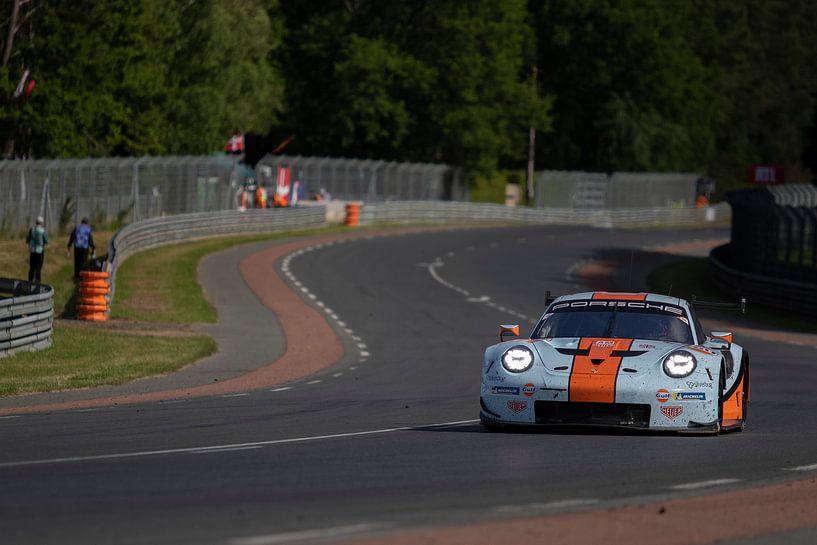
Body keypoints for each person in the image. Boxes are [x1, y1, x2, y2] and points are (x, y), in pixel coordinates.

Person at [26, 216, 48, 283]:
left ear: (36, 222)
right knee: (38, 267)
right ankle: (37, 281)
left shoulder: (32, 230)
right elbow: (46, 241)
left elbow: (27, 240)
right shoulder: (43, 231)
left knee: (32, 267)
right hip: (40, 251)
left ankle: (30, 280)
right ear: (42, 223)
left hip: (32, 251)